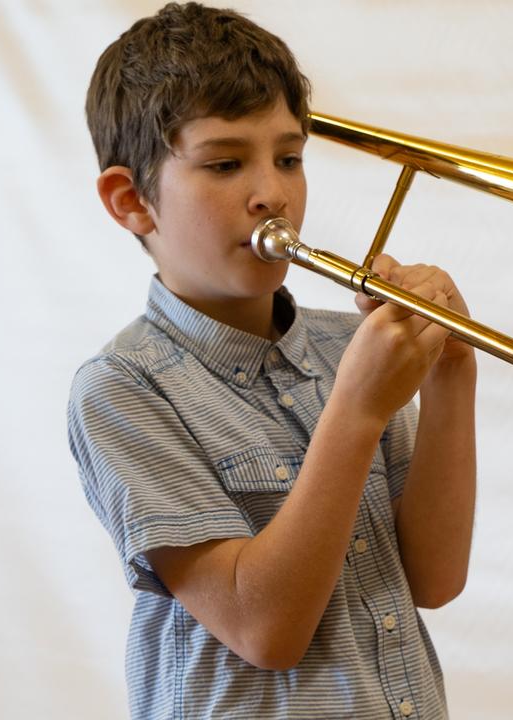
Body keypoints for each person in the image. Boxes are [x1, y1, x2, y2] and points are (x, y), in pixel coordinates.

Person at [67, 3, 474, 717]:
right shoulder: (120, 391)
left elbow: (434, 578)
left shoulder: (346, 348)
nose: (274, 194)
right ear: (131, 200)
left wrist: (450, 377)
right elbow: (264, 628)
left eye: (289, 157)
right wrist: (355, 409)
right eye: (226, 164)